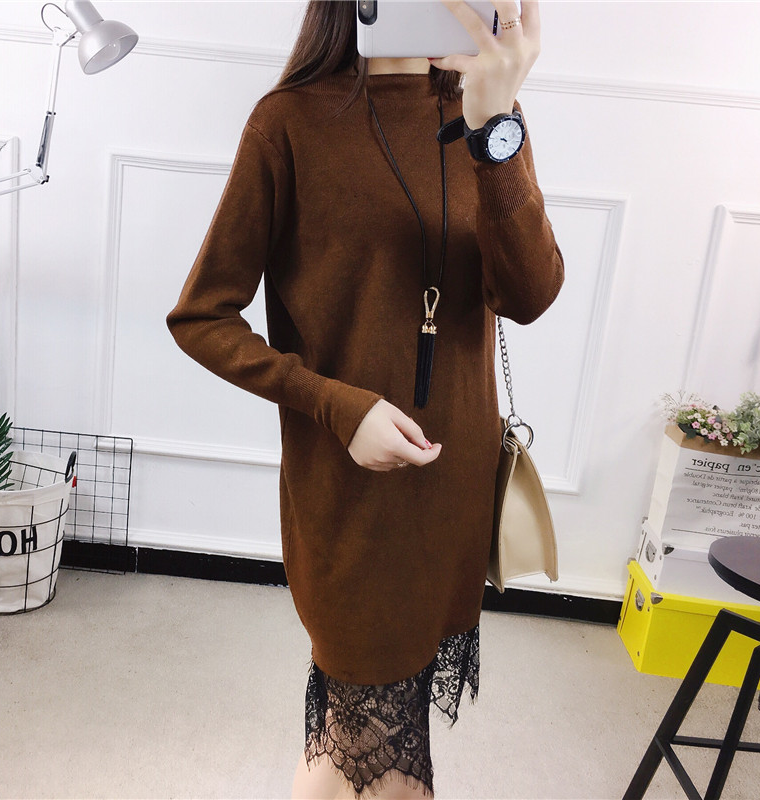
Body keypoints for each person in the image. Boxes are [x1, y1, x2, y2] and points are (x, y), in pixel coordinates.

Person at [165, 0, 563, 796]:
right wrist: (336, 406)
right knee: (372, 750)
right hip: (350, 493)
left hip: (452, 489)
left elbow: (530, 294)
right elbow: (201, 316)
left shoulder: (485, 113)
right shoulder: (290, 123)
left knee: (375, 742)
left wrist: (496, 126)